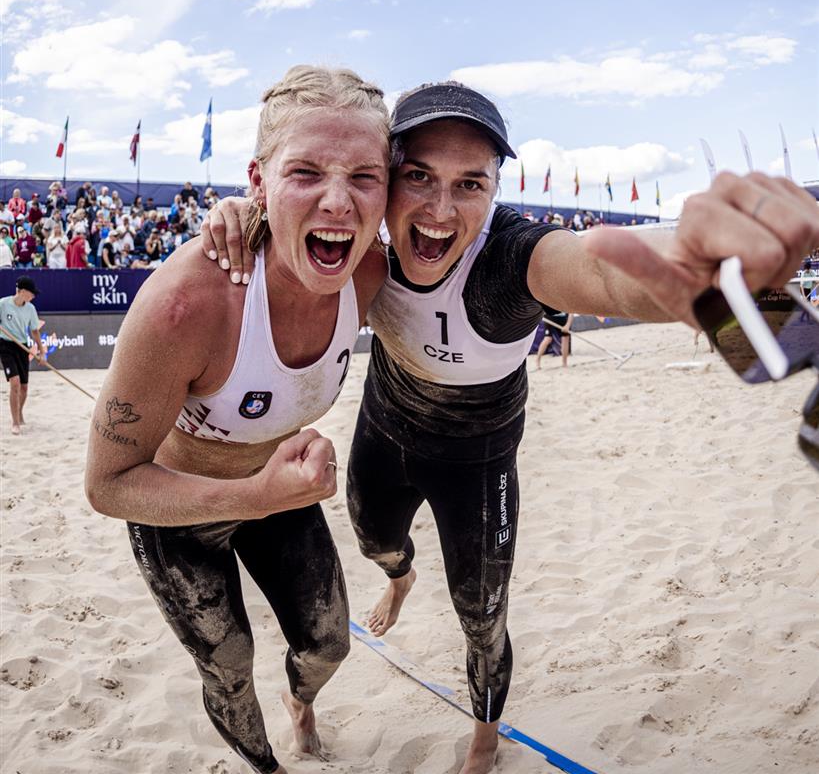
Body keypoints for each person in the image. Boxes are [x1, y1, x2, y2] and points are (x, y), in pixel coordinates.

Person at [203, 80, 819, 774]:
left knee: (482, 618)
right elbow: (282, 225)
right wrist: (243, 213)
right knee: (376, 542)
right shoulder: (358, 243)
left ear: (496, 190)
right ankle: (400, 579)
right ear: (385, 182)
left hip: (477, 459)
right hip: (387, 428)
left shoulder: (508, 260)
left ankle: (483, 740)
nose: (440, 211)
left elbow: (601, 271)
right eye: (418, 177)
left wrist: (709, 268)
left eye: (470, 184)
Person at [84, 65, 391, 774]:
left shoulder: (372, 273)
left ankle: (300, 705)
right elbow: (107, 484)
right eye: (305, 172)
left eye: (363, 177)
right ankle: (267, 768)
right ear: (258, 180)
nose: (338, 201)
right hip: (178, 513)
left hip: (275, 495)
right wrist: (251, 496)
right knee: (228, 666)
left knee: (328, 646)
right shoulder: (185, 306)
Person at [0, 275, 45, 434]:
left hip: (22, 346)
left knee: (24, 387)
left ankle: (19, 412)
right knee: (15, 382)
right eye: (32, 293)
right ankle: (15, 423)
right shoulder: (3, 304)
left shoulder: (30, 309)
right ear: (23, 291)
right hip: (5, 345)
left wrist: (41, 351)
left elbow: (34, 331)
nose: (33, 296)